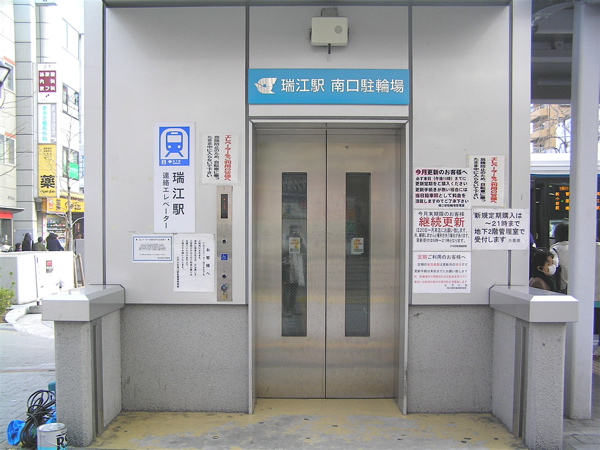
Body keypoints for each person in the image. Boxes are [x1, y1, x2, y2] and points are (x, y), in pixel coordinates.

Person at [282, 224, 306, 317]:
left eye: (297, 231)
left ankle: (292, 307)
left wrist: (301, 241)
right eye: (293, 231)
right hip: (287, 266)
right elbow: (283, 249)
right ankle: (286, 309)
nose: (295, 233)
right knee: (287, 288)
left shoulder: (301, 239)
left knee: (294, 289)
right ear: (290, 230)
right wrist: (290, 241)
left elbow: (305, 250)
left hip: (297, 266)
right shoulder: (285, 238)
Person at [550, 222, 569, 293]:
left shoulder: (555, 249)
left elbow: (553, 267)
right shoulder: (578, 248)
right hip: (578, 285)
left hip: (562, 286)